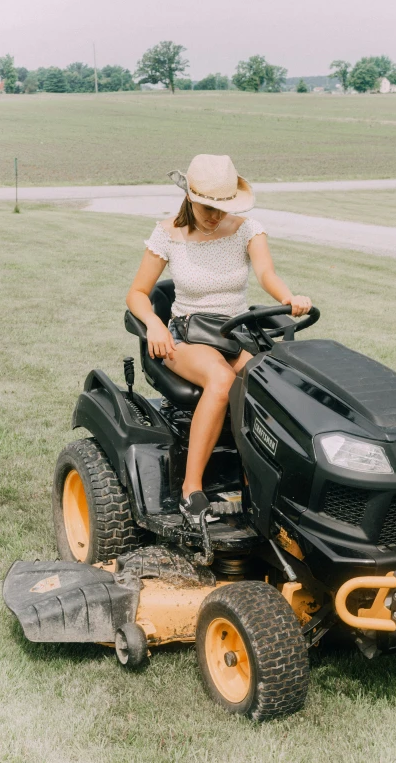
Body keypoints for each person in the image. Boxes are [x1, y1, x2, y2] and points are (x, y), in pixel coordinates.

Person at [126, 154, 312, 523]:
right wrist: (154, 324)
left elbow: (266, 273)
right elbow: (137, 293)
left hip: (236, 331)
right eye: (207, 207)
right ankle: (190, 490)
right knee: (222, 379)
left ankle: (259, 481)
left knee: (273, 384)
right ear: (190, 198)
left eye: (222, 207)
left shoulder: (247, 229)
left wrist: (288, 297)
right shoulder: (168, 235)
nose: (215, 216)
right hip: (188, 334)